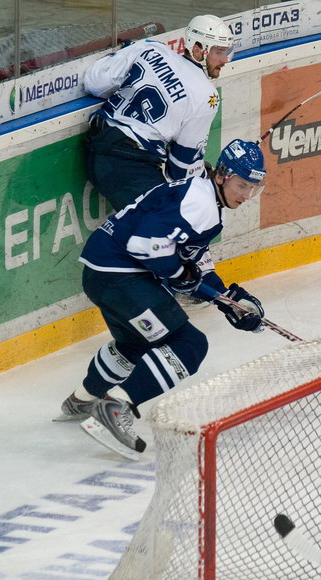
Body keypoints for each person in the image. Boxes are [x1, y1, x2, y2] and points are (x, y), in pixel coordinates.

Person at [55, 139, 268, 460]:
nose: (246, 196)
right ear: (222, 175)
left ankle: (83, 400)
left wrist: (227, 299)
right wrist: (182, 277)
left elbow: (191, 261)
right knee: (190, 345)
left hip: (103, 273)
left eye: (254, 188)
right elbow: (145, 244)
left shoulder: (199, 194)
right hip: (119, 275)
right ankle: (116, 406)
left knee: (135, 345)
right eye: (242, 185)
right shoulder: (201, 204)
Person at [83, 14, 233, 212]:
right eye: (219, 52)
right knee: (165, 225)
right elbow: (180, 168)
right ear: (198, 49)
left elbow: (94, 83)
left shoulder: (150, 48)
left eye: (227, 52)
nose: (225, 60)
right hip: (127, 165)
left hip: (96, 144)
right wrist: (206, 180)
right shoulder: (206, 95)